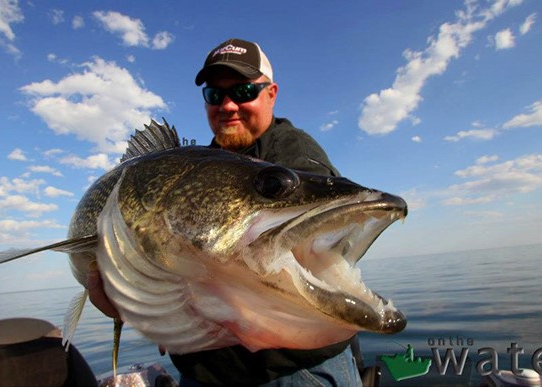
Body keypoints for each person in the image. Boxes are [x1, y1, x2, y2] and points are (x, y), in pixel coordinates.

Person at [88, 38, 361, 386]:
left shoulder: (296, 155)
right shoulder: (203, 163)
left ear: (271, 94)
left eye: (244, 90)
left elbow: (270, 275)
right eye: (215, 95)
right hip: (204, 372)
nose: (228, 105)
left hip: (288, 373)